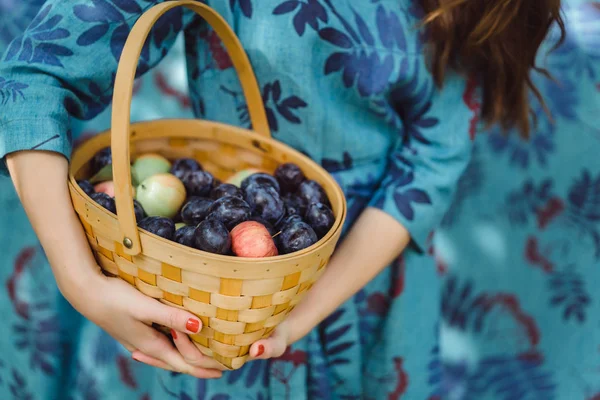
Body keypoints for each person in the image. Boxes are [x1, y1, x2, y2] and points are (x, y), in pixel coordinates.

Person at [2, 0, 593, 399]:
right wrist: (81, 282)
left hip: (369, 291)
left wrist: (299, 313)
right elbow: (34, 76)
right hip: (214, 296)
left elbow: (432, 162)